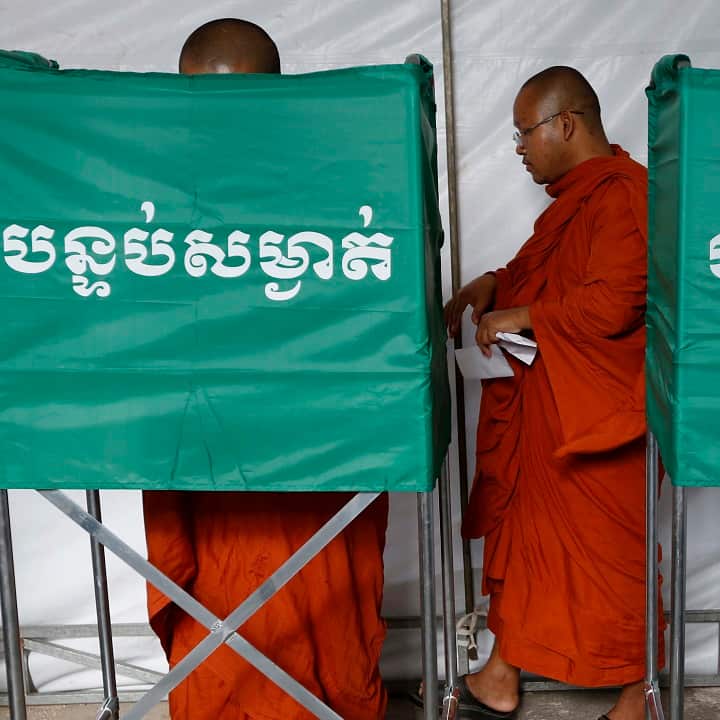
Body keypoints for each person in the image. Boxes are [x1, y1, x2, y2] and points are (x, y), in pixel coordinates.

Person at [142, 18, 389, 720]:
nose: (216, 122)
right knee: (219, 633)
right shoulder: (155, 197)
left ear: (275, 95)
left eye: (236, 101)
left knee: (323, 615)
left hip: (314, 450)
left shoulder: (345, 185)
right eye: (199, 102)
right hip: (207, 454)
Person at [444, 66, 662, 720]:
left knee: (616, 559)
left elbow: (613, 303)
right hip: (549, 409)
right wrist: (495, 283)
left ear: (566, 124)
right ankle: (500, 675)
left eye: (524, 131)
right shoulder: (576, 202)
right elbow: (552, 269)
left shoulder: (626, 196)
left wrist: (525, 315)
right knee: (525, 537)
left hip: (600, 415)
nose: (518, 146)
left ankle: (634, 695)